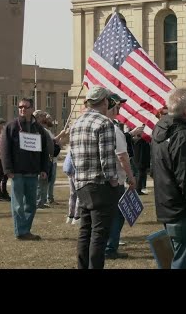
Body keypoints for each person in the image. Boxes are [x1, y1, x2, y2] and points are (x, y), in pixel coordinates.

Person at [151, 88, 186, 269]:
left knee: (181, 258)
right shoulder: (182, 136)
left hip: (168, 205)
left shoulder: (161, 131)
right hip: (182, 210)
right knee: (185, 262)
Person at [70, 86, 119, 269]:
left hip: (81, 183)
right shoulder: (104, 123)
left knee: (85, 231)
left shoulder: (76, 123)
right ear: (105, 101)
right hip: (100, 184)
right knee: (99, 234)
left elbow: (73, 156)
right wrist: (113, 181)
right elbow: (107, 157)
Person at [1, 98, 49, 240]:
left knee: (31, 205)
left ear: (31, 108)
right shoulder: (11, 126)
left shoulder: (38, 128)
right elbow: (5, 149)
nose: (22, 109)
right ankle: (20, 231)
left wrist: (43, 168)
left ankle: (25, 230)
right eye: (20, 107)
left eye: (25, 107)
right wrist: (8, 169)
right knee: (18, 205)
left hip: (32, 172)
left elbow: (44, 150)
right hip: (16, 173)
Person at [104, 93, 136, 260]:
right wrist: (131, 176)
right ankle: (110, 248)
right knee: (117, 215)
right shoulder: (114, 129)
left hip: (103, 179)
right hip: (116, 179)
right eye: (118, 105)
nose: (120, 108)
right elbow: (122, 156)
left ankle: (106, 246)